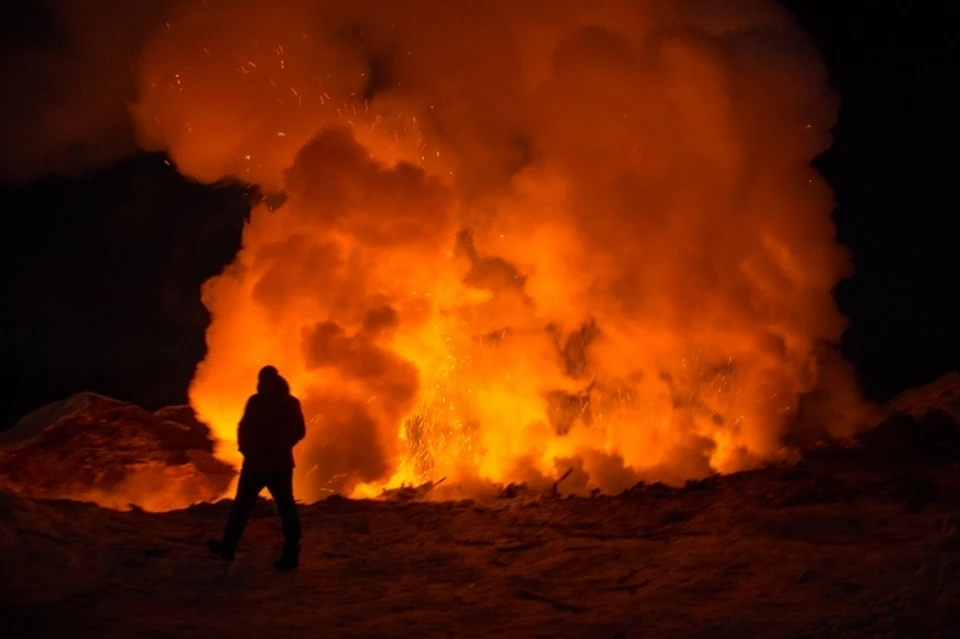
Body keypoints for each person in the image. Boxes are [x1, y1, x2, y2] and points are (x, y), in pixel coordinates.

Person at [207, 365, 306, 571]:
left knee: (242, 508)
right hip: (281, 465)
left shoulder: (257, 402)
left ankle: (228, 548)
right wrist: (284, 446)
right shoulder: (291, 402)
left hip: (256, 466)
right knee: (286, 508)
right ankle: (290, 554)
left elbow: (244, 428)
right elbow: (300, 432)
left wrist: (247, 450)